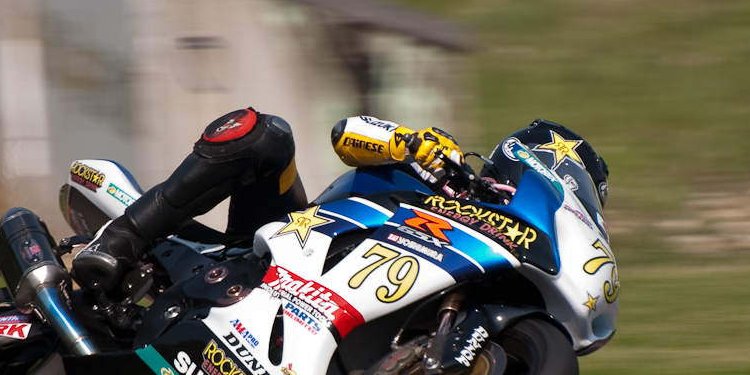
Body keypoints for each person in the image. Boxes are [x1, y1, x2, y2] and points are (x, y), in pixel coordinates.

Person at [70, 108, 466, 295]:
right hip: (290, 240)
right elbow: (345, 133)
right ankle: (123, 236)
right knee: (267, 134)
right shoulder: (452, 172)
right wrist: (413, 144)